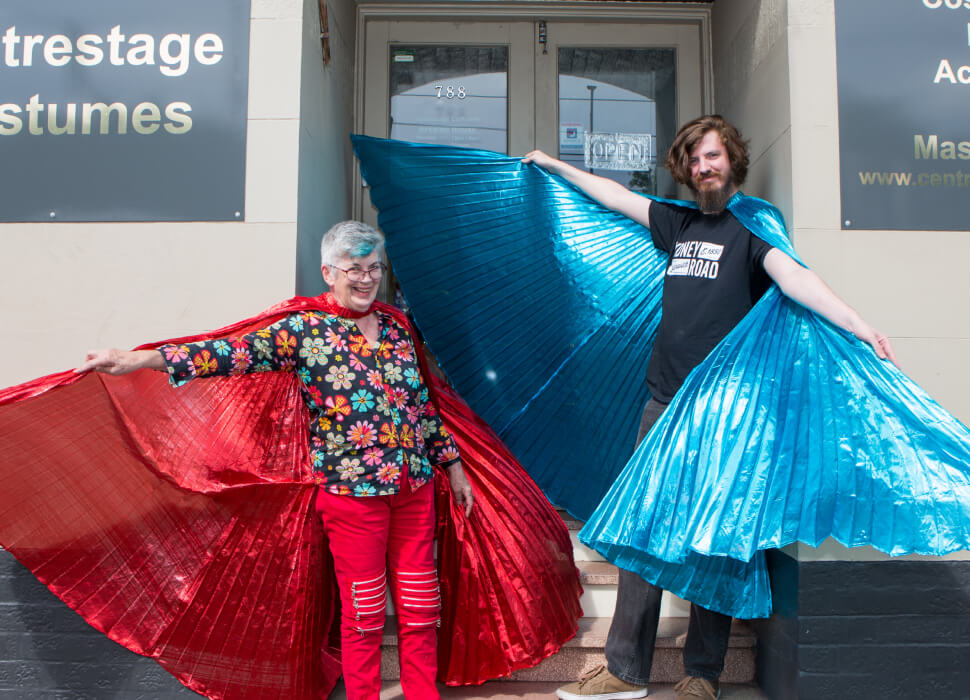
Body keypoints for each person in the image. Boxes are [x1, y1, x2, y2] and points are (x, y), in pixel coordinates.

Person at [522, 115, 896, 700]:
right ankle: (624, 669)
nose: (704, 168)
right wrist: (555, 165)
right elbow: (618, 197)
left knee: (715, 540)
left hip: (724, 413)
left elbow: (796, 280)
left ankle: (702, 674)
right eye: (695, 161)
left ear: (733, 160)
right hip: (663, 403)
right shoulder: (680, 222)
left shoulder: (752, 227)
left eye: (713, 156)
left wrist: (858, 323)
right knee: (641, 534)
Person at [77, 220, 475, 700]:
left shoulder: (396, 327)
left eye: (375, 267)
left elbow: (422, 406)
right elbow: (229, 353)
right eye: (355, 269)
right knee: (365, 611)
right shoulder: (303, 329)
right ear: (329, 272)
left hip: (414, 493)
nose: (367, 278)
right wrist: (143, 359)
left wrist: (451, 465)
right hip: (352, 500)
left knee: (420, 606)